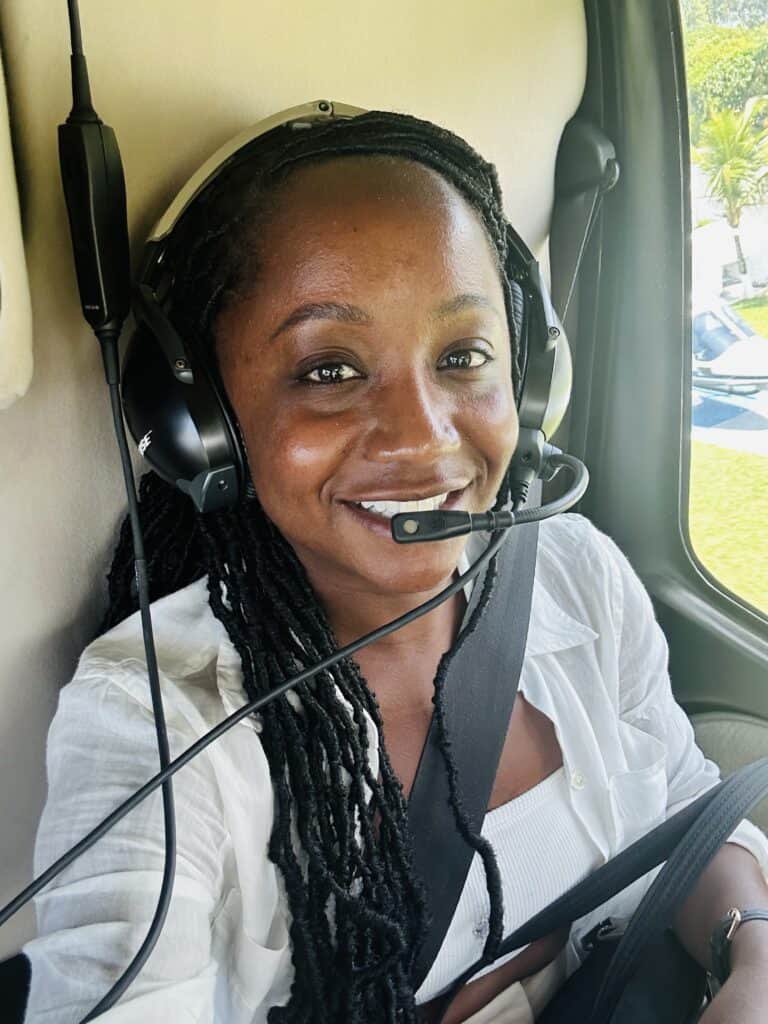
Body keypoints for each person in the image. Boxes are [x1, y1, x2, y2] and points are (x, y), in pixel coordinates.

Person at [22, 110, 768, 1024]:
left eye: (463, 355)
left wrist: (752, 949)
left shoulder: (577, 575)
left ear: (530, 382)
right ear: (202, 425)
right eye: (329, 371)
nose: (423, 437)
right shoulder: (156, 722)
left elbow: (683, 804)